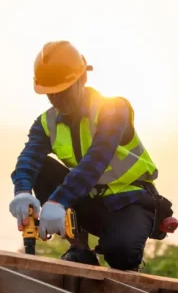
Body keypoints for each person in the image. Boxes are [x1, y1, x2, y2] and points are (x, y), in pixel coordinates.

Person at [9, 40, 163, 271]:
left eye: (63, 90)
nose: (57, 99)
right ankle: (79, 248)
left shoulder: (112, 109)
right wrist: (22, 191)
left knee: (121, 254)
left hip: (130, 201)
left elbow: (96, 161)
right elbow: (29, 158)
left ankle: (126, 257)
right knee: (39, 168)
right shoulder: (45, 123)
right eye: (50, 94)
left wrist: (57, 201)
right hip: (89, 200)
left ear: (83, 79)